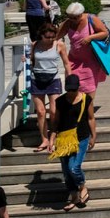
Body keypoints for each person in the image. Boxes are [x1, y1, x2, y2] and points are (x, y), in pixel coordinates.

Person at [49, 75, 96, 211]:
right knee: (66, 170)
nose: (71, 92)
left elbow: (91, 118)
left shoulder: (86, 99)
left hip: (81, 137)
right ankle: (74, 196)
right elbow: (56, 122)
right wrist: (52, 139)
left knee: (74, 167)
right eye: (69, 90)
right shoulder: (60, 101)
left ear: (78, 88)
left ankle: (82, 186)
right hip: (64, 139)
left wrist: (93, 136)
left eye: (73, 90)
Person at [30, 21, 71, 152]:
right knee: (41, 112)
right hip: (37, 79)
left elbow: (66, 64)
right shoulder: (34, 45)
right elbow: (30, 60)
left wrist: (69, 79)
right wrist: (24, 60)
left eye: (52, 37)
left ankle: (54, 134)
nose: (50, 40)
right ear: (41, 35)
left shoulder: (59, 45)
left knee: (54, 110)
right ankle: (44, 139)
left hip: (53, 79)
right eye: (47, 37)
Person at [55, 3, 109, 99]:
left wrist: (91, 37)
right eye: (70, 17)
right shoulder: (68, 23)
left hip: (91, 60)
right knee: (72, 84)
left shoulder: (91, 19)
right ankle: (76, 106)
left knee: (89, 86)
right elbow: (55, 37)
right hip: (74, 59)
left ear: (81, 14)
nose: (73, 20)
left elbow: (105, 33)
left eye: (75, 18)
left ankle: (88, 108)